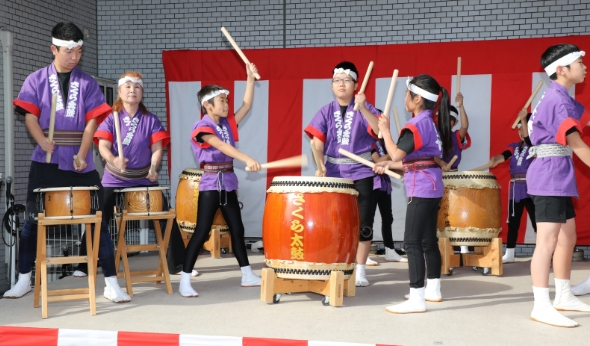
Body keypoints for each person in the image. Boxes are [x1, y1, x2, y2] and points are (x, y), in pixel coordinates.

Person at [3, 22, 127, 302]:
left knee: (98, 221)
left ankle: (110, 283)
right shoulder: (35, 79)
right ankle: (24, 280)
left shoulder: (87, 82)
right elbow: (31, 117)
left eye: (79, 51)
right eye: (69, 51)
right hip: (45, 161)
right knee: (32, 222)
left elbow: (93, 120)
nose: (74, 56)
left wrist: (83, 154)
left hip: (79, 161)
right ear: (54, 49)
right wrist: (42, 141)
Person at [179, 63, 261, 297]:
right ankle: (185, 280)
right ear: (207, 105)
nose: (226, 104)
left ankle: (247, 274)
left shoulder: (226, 123)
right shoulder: (201, 126)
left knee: (238, 229)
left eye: (227, 100)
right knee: (202, 230)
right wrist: (247, 158)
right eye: (222, 101)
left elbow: (246, 105)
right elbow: (220, 145)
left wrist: (250, 79)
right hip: (211, 183)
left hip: (229, 182)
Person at [374, 74, 453, 313]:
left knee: (412, 242)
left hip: (421, 187)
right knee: (429, 241)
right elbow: (416, 160)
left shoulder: (416, 124)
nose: (405, 98)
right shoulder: (430, 122)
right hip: (432, 185)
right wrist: (387, 165)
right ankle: (433, 290)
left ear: (418, 99)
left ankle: (417, 299)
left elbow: (397, 154)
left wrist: (385, 131)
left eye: (407, 94)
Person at [527, 43, 590, 327]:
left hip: (558, 173)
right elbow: (577, 144)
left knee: (568, 237)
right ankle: (541, 305)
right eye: (579, 62)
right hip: (549, 175)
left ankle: (563, 295)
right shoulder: (556, 99)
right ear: (562, 70)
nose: (585, 67)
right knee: (547, 242)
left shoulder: (557, 95)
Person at [304, 61, 380, 287]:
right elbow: (317, 142)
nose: (341, 84)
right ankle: (335, 264)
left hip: (362, 171)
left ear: (356, 85)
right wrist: (320, 163)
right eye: (337, 80)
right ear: (332, 85)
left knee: (364, 223)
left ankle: (361, 270)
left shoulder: (367, 108)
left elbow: (379, 132)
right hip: (335, 173)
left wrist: (364, 107)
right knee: (335, 223)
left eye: (346, 80)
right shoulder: (325, 111)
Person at [487, 110, 536, 264]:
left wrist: (523, 120)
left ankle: (544, 253)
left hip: (532, 188)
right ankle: (510, 253)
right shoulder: (513, 146)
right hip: (515, 188)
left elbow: (531, 143)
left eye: (524, 127)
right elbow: (505, 155)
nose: (521, 131)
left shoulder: (535, 145)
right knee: (513, 222)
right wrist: (496, 159)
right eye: (520, 128)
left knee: (537, 222)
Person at [366, 138, 407, 265]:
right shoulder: (367, 141)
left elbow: (391, 164)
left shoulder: (384, 144)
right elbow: (378, 161)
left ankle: (390, 250)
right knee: (368, 219)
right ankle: (364, 253)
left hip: (384, 183)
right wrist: (397, 151)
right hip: (371, 182)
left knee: (388, 218)